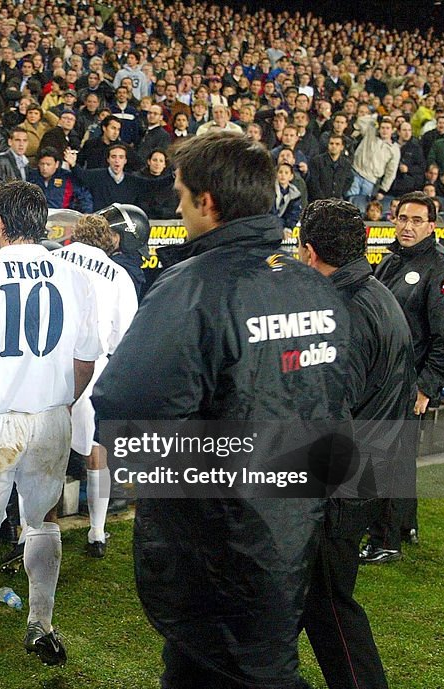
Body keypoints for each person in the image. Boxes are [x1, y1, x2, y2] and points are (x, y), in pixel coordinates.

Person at [91, 131, 350, 689]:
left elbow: (125, 405)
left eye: (181, 197)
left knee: (243, 669)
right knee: (243, 660)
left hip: (220, 535)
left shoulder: (193, 287)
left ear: (208, 202)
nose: (177, 209)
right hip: (293, 518)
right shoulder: (315, 286)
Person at [0, 180, 102, 687]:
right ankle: (42, 626)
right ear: (44, 225)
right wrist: (60, 404)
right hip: (52, 416)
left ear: (0, 225)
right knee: (44, 521)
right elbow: (85, 361)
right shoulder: (78, 279)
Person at [297, 198, 416, 689]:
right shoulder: (376, 292)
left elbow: (331, 414)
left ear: (307, 251)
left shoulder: (341, 312)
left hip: (341, 487)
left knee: (329, 610)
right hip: (369, 472)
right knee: (303, 606)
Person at [361, 192, 444, 564]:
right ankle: (405, 526)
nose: (407, 226)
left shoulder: (443, 270)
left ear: (431, 226)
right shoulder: (389, 263)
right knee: (399, 458)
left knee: (386, 460)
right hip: (382, 380)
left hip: (409, 384)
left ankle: (383, 541)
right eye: (402, 218)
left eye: (417, 220)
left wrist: (426, 386)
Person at [52, 214, 137, 557]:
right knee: (95, 450)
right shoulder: (118, 275)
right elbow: (123, 336)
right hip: (94, 364)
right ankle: (97, 534)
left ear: (74, 235)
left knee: (46, 449)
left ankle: (34, 531)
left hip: (50, 362)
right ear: (109, 241)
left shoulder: (53, 257)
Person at [27, 147, 92, 211]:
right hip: (37, 216)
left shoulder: (67, 177)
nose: (44, 168)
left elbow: (84, 196)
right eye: (42, 164)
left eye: (48, 164)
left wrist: (86, 213)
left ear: (56, 164)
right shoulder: (32, 177)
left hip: (62, 217)